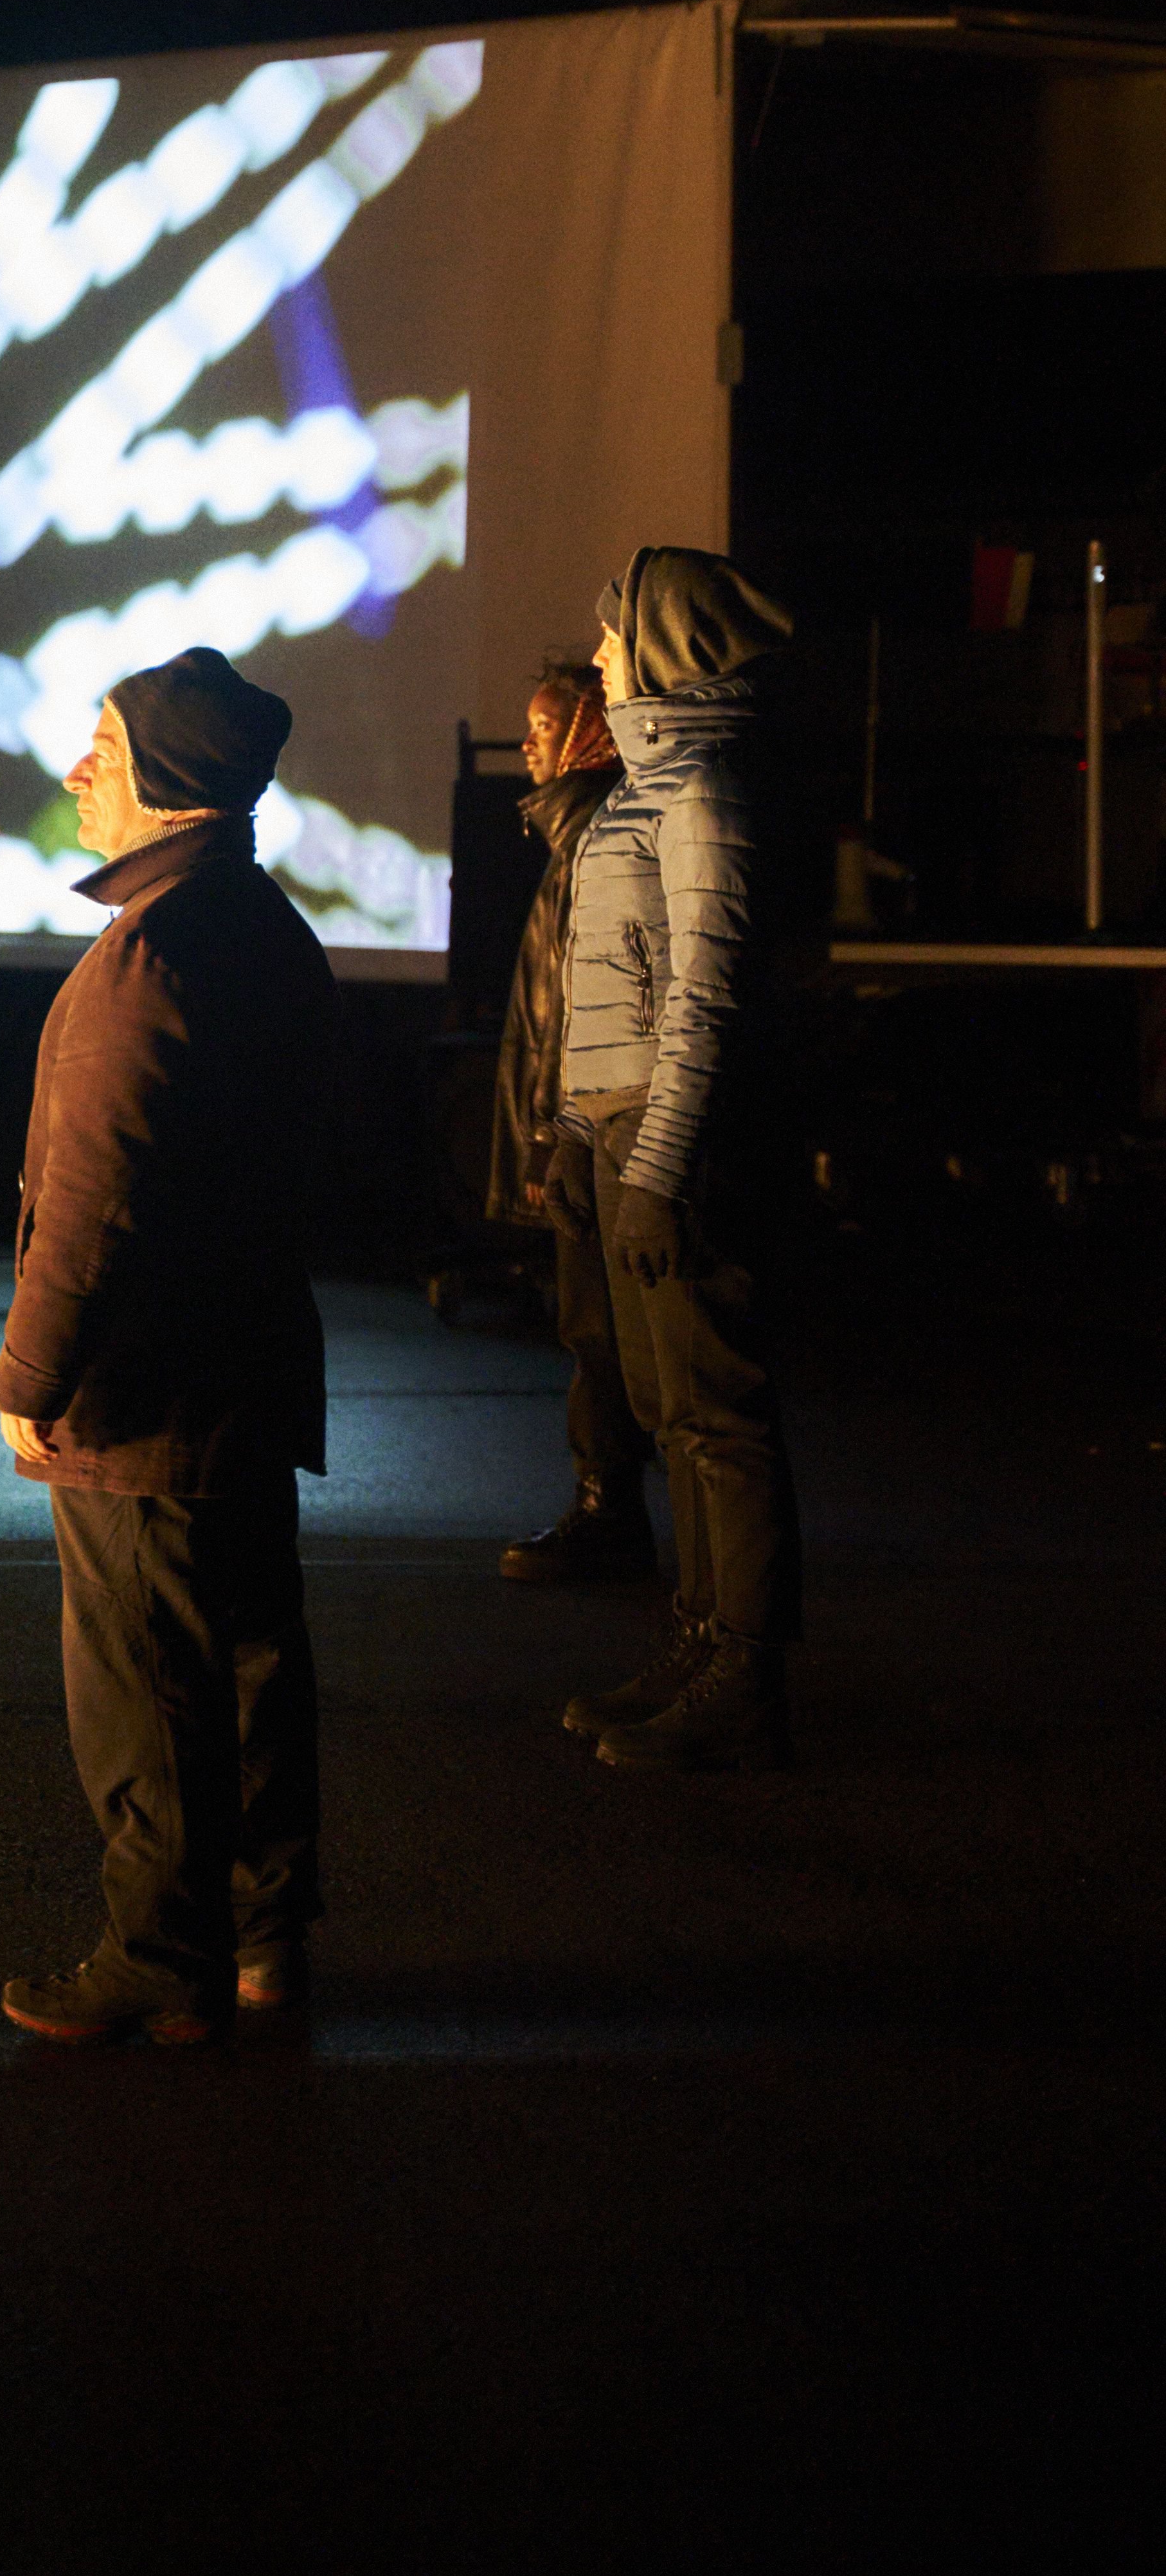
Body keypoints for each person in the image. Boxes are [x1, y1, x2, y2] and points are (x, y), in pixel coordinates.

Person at [0, 647, 337, 2045]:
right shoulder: (263, 928)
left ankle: (158, 1960)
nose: (73, 773)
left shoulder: (149, 953)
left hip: (144, 1404)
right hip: (244, 1371)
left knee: (145, 1692)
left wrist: (27, 1383)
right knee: (249, 1664)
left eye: (100, 750)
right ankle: (263, 1943)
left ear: (167, 783)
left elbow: (89, 1201)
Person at [544, 547, 801, 1772]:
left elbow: (705, 996)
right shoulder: (657, 785)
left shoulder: (701, 791)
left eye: (613, 636)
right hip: (626, 1134)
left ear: (665, 650)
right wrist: (577, 1132)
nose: (599, 657)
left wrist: (654, 1165)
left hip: (671, 1140)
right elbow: (607, 990)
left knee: (714, 1413)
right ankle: (699, 1643)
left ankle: (741, 1669)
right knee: (666, 1407)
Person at [489, 659, 655, 1584]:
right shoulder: (576, 834)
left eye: (545, 728)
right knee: (593, 1331)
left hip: (589, 1136)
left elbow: (579, 1011)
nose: (528, 746)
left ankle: (611, 1515)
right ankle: (612, 1509)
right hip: (582, 1133)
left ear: (591, 735)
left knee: (599, 1332)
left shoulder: (596, 835)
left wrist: (554, 1138)